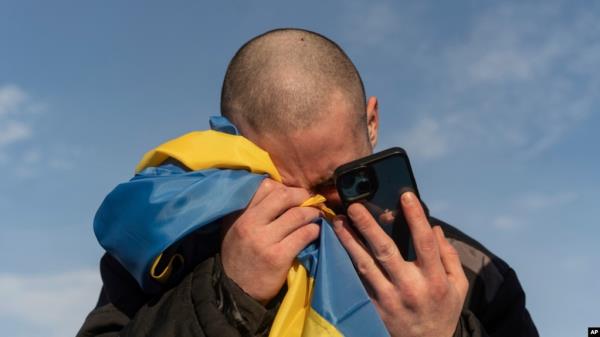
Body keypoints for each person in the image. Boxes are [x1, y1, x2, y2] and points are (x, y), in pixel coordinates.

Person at [77, 28, 538, 337]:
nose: (314, 209)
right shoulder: (174, 246)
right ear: (235, 147)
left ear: (371, 122)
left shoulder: (474, 273)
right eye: (278, 186)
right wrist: (224, 296)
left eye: (336, 181)